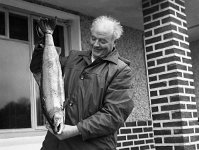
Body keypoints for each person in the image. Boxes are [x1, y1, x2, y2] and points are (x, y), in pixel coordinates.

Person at [30, 15, 134, 150]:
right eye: (93, 38)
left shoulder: (121, 70)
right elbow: (41, 70)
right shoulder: (73, 58)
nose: (96, 44)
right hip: (54, 144)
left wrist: (76, 130)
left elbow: (114, 115)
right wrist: (42, 44)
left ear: (114, 42)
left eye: (102, 41)